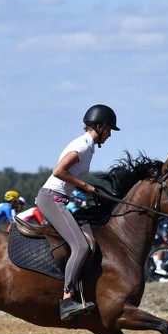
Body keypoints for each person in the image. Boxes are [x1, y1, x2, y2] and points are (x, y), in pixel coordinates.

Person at [36, 103, 117, 321]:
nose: (110, 134)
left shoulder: (88, 146)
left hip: (59, 198)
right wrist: (85, 187)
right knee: (80, 246)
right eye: (109, 129)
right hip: (52, 198)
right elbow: (59, 171)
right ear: (99, 126)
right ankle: (68, 299)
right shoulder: (82, 145)